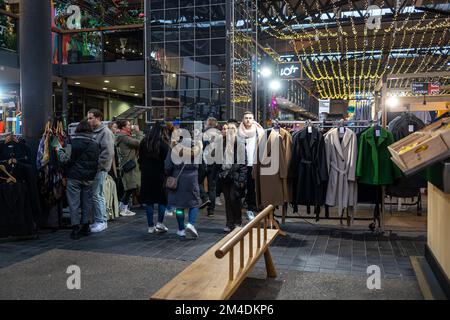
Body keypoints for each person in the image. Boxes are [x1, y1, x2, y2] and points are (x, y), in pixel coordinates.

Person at [59, 119, 99, 239]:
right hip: (89, 177)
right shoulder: (95, 144)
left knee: (74, 203)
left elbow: (64, 159)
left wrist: (59, 151)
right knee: (87, 202)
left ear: (78, 129)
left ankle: (75, 228)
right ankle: (86, 226)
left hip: (74, 176)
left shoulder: (71, 141)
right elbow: (97, 161)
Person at [165, 137, 203, 238]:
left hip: (178, 178)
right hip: (192, 178)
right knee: (194, 203)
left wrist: (170, 173)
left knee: (179, 206)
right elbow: (203, 166)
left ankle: (181, 229)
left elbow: (168, 166)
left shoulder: (174, 149)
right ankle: (190, 223)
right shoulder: (197, 149)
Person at [139, 121, 170, 233]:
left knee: (149, 201)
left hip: (146, 175)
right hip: (161, 175)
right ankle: (160, 223)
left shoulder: (144, 142)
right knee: (162, 200)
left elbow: (140, 159)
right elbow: (167, 162)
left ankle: (150, 227)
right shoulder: (164, 144)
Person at [87, 109, 115, 233]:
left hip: (99, 168)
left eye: (91, 118)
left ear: (98, 118)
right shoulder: (95, 131)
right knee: (97, 194)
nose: (89, 120)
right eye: (88, 118)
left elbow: (107, 153)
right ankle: (99, 220)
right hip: (95, 168)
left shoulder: (105, 132)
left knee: (97, 194)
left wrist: (98, 166)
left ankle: (101, 221)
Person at [219, 120, 247, 232]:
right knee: (228, 201)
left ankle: (238, 222)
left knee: (234, 199)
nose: (228, 132)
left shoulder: (239, 143)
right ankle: (229, 223)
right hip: (225, 176)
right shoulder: (222, 143)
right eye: (226, 129)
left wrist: (241, 179)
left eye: (231, 130)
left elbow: (243, 163)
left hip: (235, 176)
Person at [238, 111, 264, 221]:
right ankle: (241, 208)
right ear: (243, 119)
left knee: (252, 187)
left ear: (253, 119)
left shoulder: (259, 131)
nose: (248, 120)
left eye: (250, 118)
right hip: (242, 164)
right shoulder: (238, 131)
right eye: (246, 118)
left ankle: (250, 208)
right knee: (241, 187)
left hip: (254, 163)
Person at [115, 119, 144, 216]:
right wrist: (138, 131)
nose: (130, 126)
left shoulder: (123, 136)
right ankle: (123, 209)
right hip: (129, 165)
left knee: (130, 187)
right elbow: (139, 143)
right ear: (123, 127)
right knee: (129, 188)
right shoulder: (124, 137)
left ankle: (123, 207)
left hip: (128, 164)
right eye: (128, 125)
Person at [199, 117, 221, 216]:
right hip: (215, 163)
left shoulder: (204, 134)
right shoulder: (219, 135)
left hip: (204, 162)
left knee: (197, 182)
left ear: (207, 124)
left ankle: (204, 197)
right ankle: (211, 211)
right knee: (212, 188)